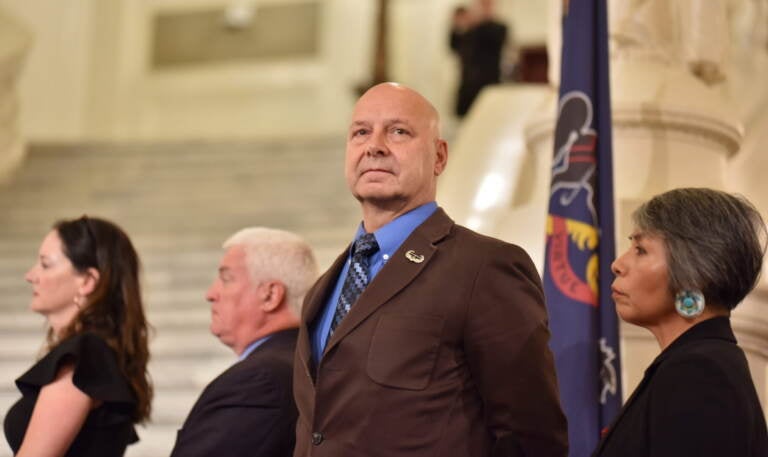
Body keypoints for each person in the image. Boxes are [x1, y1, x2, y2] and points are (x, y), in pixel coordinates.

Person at [293, 82, 568, 457]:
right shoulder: (325, 287)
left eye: (398, 131)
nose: (374, 145)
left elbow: (533, 436)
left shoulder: (485, 268)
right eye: (361, 132)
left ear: (439, 157)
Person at [593, 188, 768, 457]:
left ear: (694, 273)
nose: (617, 264)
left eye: (640, 249)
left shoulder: (701, 373)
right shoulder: (699, 363)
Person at [3, 216, 152, 457]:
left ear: (87, 281)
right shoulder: (95, 353)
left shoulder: (86, 355)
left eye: (45, 264)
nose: (30, 275)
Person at [170, 227, 318, 457]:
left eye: (226, 279)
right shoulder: (305, 364)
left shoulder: (259, 382)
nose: (211, 293)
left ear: (270, 295)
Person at [449, 0, 508, 117]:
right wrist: (459, 25)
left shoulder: (498, 28)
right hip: (468, 83)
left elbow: (494, 38)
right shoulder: (469, 30)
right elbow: (454, 45)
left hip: (489, 83)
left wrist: (479, 22)